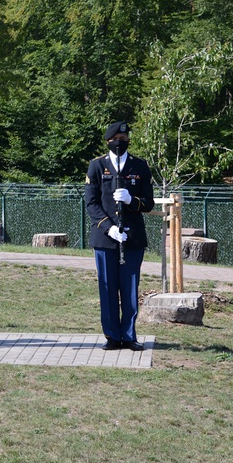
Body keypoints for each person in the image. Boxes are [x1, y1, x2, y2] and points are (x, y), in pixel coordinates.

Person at [84, 121, 154, 351]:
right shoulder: (96, 166)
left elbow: (148, 202)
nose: (120, 143)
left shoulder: (140, 166)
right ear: (108, 142)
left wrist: (131, 201)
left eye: (124, 140)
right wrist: (108, 227)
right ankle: (112, 336)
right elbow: (91, 202)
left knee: (130, 288)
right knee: (108, 289)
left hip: (131, 238)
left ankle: (129, 335)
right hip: (105, 238)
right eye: (116, 140)